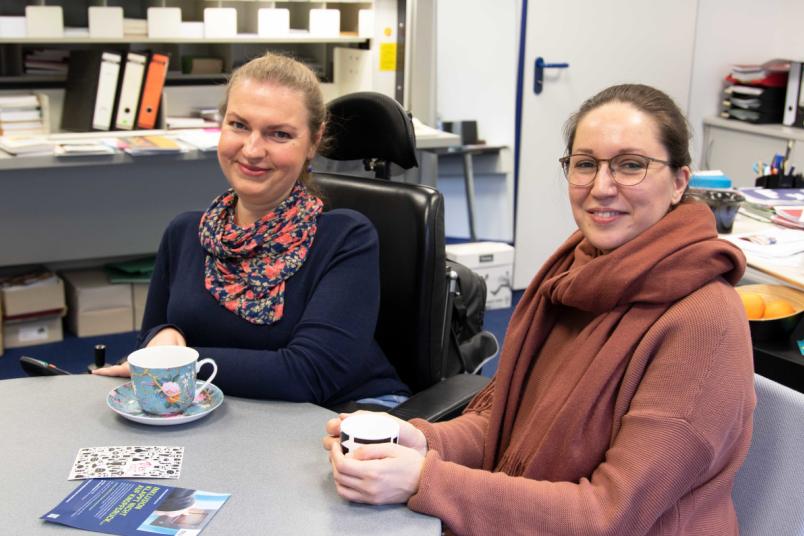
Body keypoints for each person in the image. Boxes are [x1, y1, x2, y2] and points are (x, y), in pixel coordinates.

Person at [323, 84, 756, 535]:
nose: (602, 188)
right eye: (585, 164)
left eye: (631, 166)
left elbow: (610, 516)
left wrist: (424, 479)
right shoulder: (573, 273)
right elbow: (503, 423)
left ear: (680, 182)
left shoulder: (703, 323)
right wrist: (420, 440)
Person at [94, 52, 409, 409]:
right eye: (239, 125)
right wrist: (164, 335)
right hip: (231, 410)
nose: (252, 149)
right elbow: (151, 340)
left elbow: (309, 375)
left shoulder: (345, 238)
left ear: (313, 142)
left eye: (279, 134)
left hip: (345, 414)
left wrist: (180, 363)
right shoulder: (185, 233)